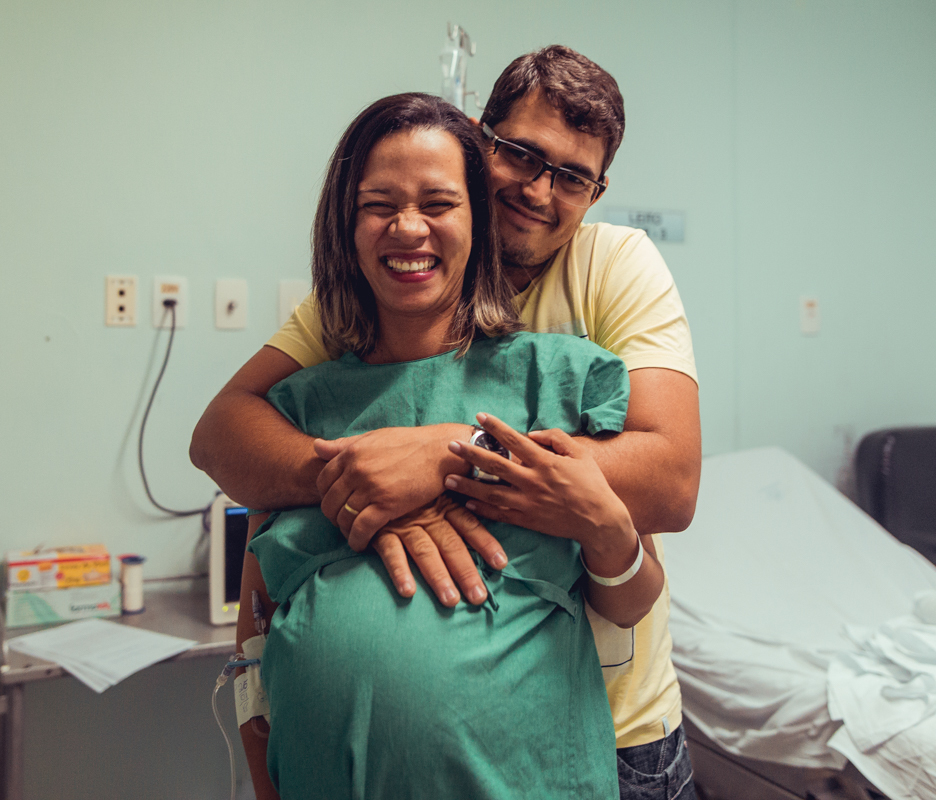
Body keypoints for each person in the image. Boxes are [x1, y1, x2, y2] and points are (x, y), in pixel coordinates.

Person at [193, 46, 701, 799]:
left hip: (606, 721)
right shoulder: (348, 328)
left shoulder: (601, 287)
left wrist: (448, 453)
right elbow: (226, 442)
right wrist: (356, 481)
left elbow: (668, 486)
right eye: (522, 155)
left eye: (572, 176)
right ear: (480, 138)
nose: (538, 189)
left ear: (596, 191)